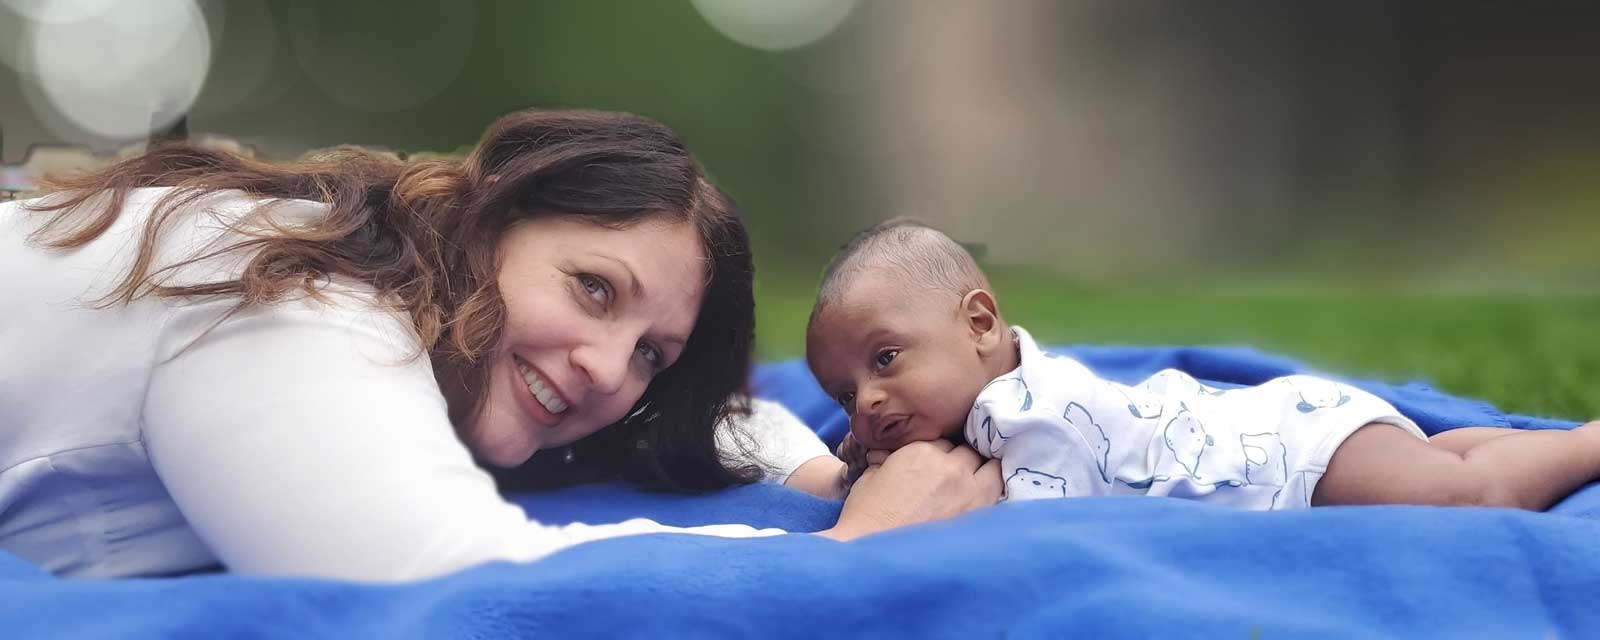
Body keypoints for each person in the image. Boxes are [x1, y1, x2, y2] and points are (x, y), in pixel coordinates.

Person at [0, 110, 1001, 581]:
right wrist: (854, 550)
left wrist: (823, 472)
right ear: (490, 222)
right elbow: (461, 579)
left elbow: (722, 414)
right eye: (593, 288)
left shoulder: (422, 291)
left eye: (652, 351)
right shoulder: (297, 304)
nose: (609, 369)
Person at [802, 218, 1600, 510]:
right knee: (1441, 458)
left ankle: (1585, 444)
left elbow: (986, 513)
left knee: (1465, 495)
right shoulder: (1002, 393)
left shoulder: (1024, 417)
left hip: (1290, 463)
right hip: (1284, 431)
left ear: (979, 323)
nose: (865, 404)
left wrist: (873, 484)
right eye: (844, 392)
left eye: (885, 360)